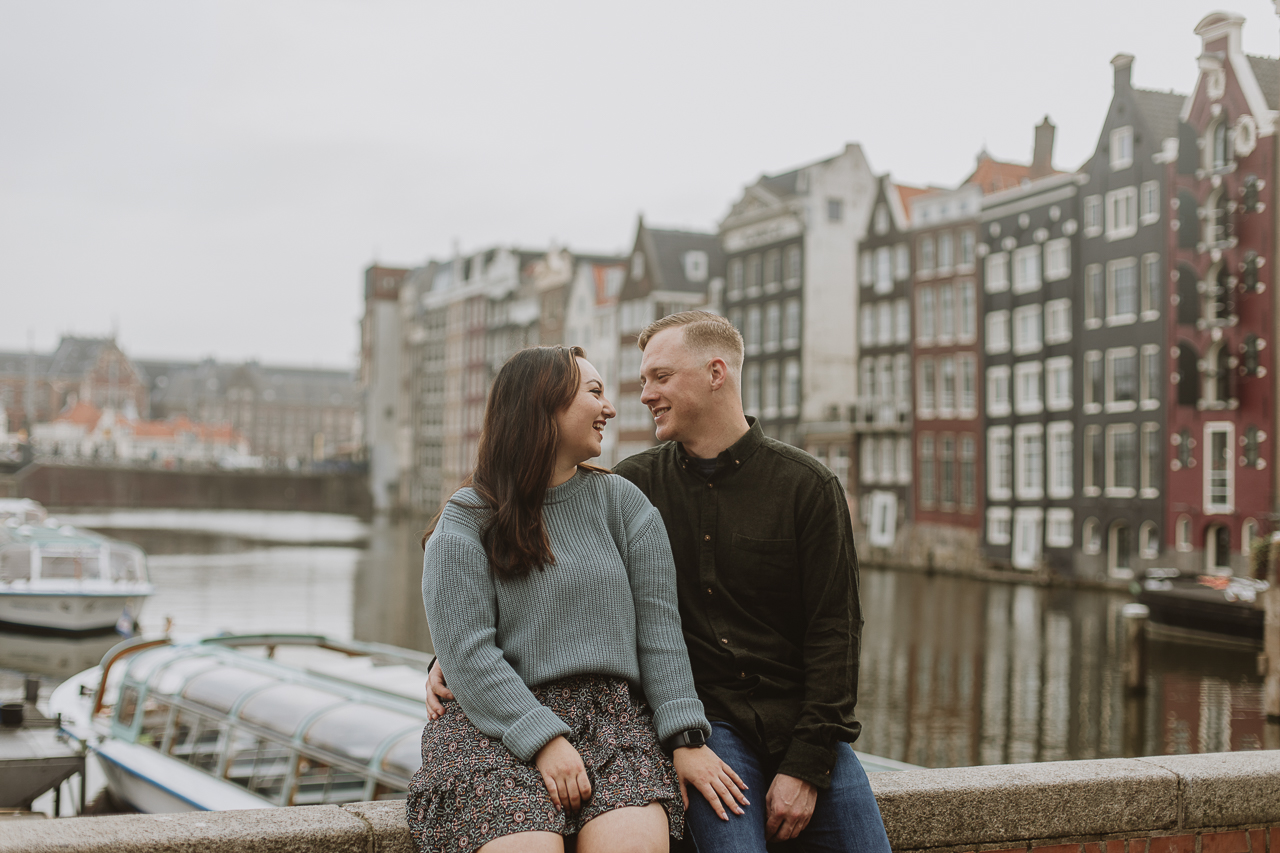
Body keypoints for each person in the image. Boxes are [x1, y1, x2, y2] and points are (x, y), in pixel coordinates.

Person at [427, 313, 891, 853]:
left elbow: (833, 637)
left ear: (716, 373)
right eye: (623, 384)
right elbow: (481, 614)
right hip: (707, 720)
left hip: (781, 725)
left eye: (659, 378)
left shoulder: (804, 488)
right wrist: (446, 658)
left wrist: (805, 764)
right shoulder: (631, 483)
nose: (637, 397)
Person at [407, 345, 748, 853]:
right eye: (594, 392)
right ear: (542, 408)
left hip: (613, 724)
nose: (610, 408)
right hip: (495, 728)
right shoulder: (465, 520)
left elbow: (660, 634)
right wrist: (544, 741)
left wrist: (685, 738)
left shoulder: (624, 505)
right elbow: (468, 653)